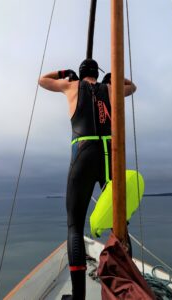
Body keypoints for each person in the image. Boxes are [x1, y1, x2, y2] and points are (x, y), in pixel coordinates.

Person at [38, 59, 136, 300]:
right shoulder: (111, 90)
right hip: (109, 156)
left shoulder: (71, 87)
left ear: (80, 75)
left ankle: (79, 296)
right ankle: (123, 290)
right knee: (119, 224)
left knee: (74, 226)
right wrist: (114, 78)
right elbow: (132, 87)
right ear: (97, 74)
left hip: (83, 155)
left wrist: (64, 73)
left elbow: (42, 80)